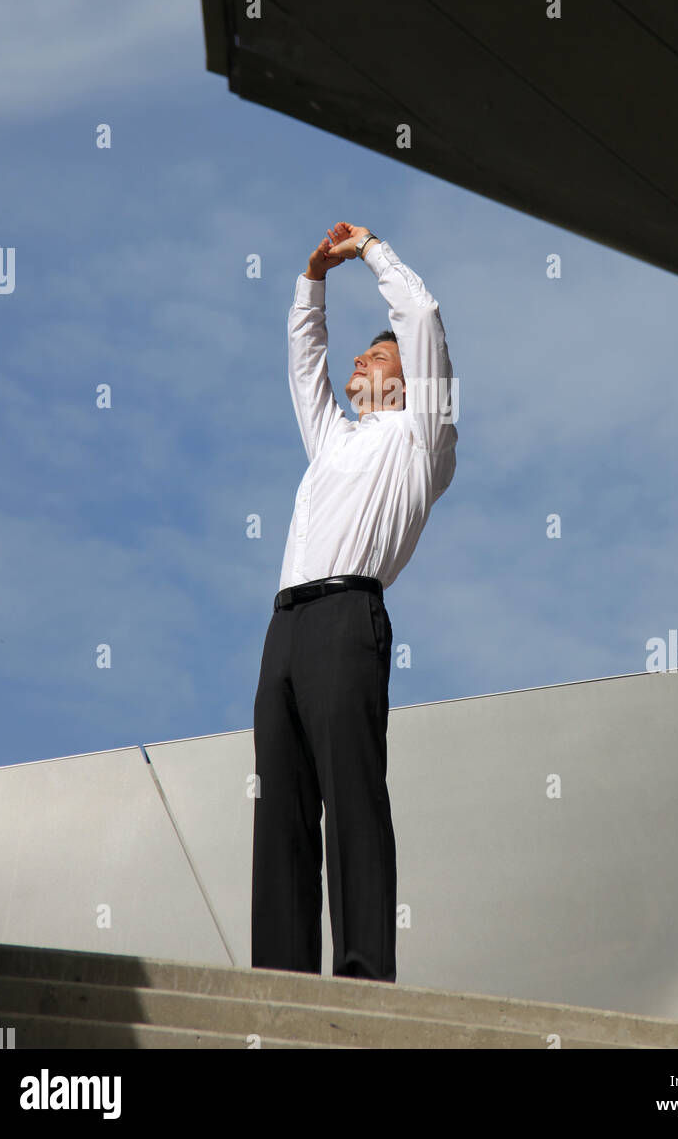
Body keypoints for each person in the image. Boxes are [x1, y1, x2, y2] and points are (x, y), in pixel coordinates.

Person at [250, 222, 457, 981]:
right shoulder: (333, 440)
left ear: (406, 379)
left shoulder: (421, 438)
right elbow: (304, 363)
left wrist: (371, 251)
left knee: (351, 793)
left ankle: (365, 974)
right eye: (361, 353)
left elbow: (422, 320)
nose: (360, 361)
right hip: (285, 625)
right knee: (281, 806)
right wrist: (312, 280)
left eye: (376, 354)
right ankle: (279, 976)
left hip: (347, 618)